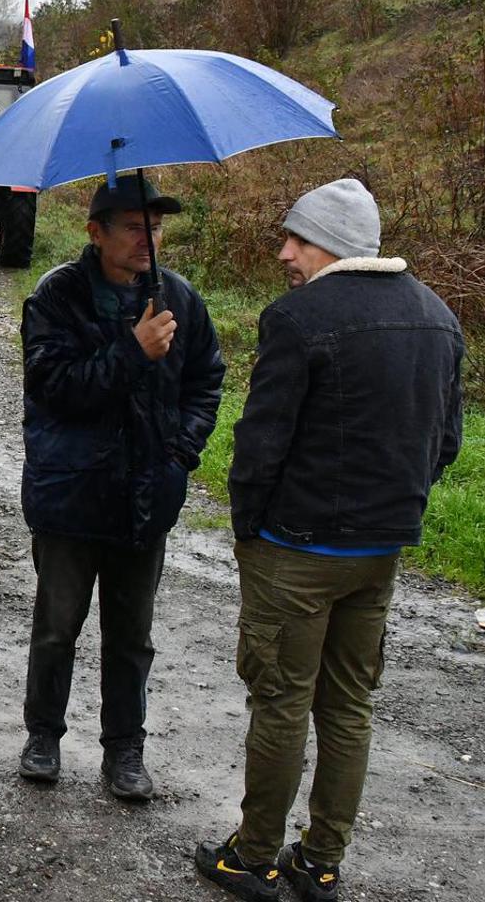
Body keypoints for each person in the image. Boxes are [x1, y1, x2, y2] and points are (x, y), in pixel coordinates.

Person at [196, 178, 464, 902]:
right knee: (347, 707)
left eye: (297, 239)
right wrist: (390, 511)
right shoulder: (438, 318)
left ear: (333, 245)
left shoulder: (297, 318)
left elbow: (259, 445)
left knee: (281, 702)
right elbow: (446, 442)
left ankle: (250, 858)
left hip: (295, 550)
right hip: (379, 551)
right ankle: (318, 863)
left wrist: (248, 527)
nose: (284, 252)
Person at [16, 179, 224, 801]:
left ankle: (125, 750)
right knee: (57, 626)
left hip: (145, 497)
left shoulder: (179, 300)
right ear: (95, 232)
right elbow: (57, 387)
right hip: (69, 495)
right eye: (133, 227)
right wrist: (132, 351)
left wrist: (179, 452)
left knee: (132, 635)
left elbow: (205, 380)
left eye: (155, 227)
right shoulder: (56, 297)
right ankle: (44, 736)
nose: (147, 239)